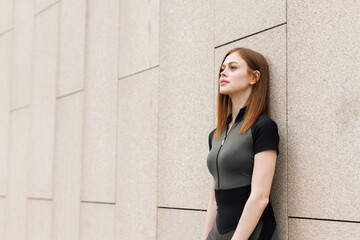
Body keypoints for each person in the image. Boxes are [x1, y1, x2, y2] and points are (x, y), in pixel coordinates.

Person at [202, 47, 280, 240]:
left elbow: (260, 197)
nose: (223, 72)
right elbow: (214, 200)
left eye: (233, 67)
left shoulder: (263, 127)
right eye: (222, 68)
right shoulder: (215, 135)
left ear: (254, 77)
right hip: (218, 232)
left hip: (254, 232)